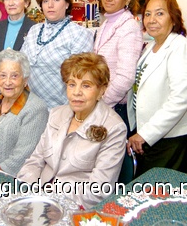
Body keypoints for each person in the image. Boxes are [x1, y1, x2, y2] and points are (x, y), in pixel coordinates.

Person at [18, 53, 127, 209]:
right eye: (71, 84)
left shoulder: (114, 128)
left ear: (102, 90)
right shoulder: (56, 114)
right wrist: (30, 190)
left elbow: (98, 191)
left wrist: (48, 198)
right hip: (36, 197)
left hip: (73, 207)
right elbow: (35, 161)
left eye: (86, 85)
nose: (77, 92)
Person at [127, 0, 187, 176]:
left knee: (159, 193)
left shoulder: (180, 46)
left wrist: (146, 134)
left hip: (171, 138)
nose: (152, 19)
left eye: (160, 13)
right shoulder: (151, 46)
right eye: (148, 14)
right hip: (151, 135)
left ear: (173, 18)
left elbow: (179, 100)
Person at [20, 0, 93, 110]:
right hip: (30, 106)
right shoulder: (34, 30)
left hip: (63, 108)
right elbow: (20, 63)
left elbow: (81, 78)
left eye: (56, 0)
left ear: (67, 4)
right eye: (45, 1)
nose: (50, 5)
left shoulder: (79, 33)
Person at [94, 0, 143, 136]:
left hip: (115, 107)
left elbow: (125, 77)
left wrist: (101, 102)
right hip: (102, 104)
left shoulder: (129, 27)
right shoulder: (106, 23)